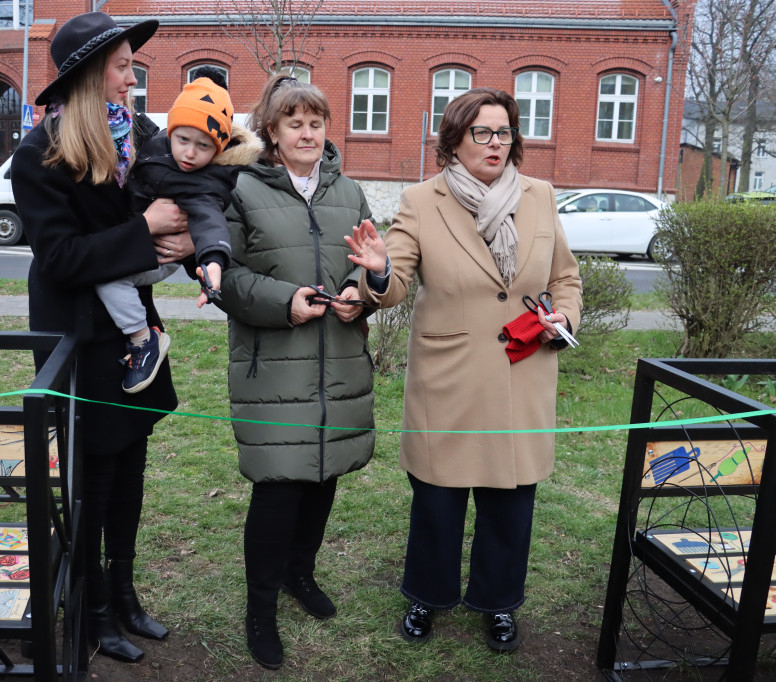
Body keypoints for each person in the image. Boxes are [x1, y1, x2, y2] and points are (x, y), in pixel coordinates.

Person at [347, 87, 582, 652]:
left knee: (510, 504)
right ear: (454, 140)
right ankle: (427, 595)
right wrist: (377, 272)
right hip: (449, 379)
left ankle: (498, 604)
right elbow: (394, 285)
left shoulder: (540, 195)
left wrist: (565, 315)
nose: (495, 143)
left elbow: (565, 277)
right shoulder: (421, 201)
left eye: (504, 132)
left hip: (520, 375)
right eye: (482, 132)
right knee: (438, 502)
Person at [10, 11, 194, 664]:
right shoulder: (38, 154)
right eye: (121, 66)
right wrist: (144, 228)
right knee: (93, 475)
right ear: (90, 75)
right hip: (81, 339)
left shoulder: (140, 136)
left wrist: (200, 247)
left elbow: (185, 196)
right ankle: (90, 611)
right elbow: (59, 258)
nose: (132, 77)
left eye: (130, 64)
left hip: (133, 334)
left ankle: (124, 592)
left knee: (133, 464)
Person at [217, 74, 376, 670]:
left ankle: (299, 575)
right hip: (274, 367)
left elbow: (369, 266)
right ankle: (260, 607)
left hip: (337, 361)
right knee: (280, 489)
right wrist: (286, 301)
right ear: (273, 133)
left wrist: (367, 289)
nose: (307, 133)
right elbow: (224, 276)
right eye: (294, 123)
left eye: (316, 122)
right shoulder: (240, 191)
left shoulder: (350, 192)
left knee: (324, 479)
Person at [105, 76, 261, 393]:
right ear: (171, 131)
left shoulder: (203, 182)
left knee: (107, 273)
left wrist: (213, 262)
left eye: (203, 146)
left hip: (158, 252)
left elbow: (209, 220)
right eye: (183, 140)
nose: (190, 153)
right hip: (138, 234)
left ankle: (143, 339)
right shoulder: (157, 141)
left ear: (216, 148)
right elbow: (135, 125)